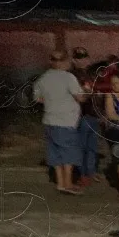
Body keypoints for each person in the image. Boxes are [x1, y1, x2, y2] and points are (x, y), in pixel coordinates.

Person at [33, 51, 87, 195]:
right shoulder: (68, 77)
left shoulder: (43, 79)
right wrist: (86, 91)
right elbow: (80, 98)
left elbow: (38, 99)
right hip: (66, 121)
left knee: (55, 154)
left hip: (49, 120)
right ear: (65, 62)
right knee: (69, 154)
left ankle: (61, 184)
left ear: (51, 61)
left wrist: (53, 101)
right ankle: (68, 184)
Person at [70, 47, 103, 186]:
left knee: (92, 147)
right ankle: (82, 174)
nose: (82, 61)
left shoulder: (92, 75)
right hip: (80, 115)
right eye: (79, 58)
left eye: (84, 58)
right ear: (74, 60)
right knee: (81, 147)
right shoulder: (71, 76)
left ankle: (91, 172)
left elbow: (98, 95)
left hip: (93, 115)